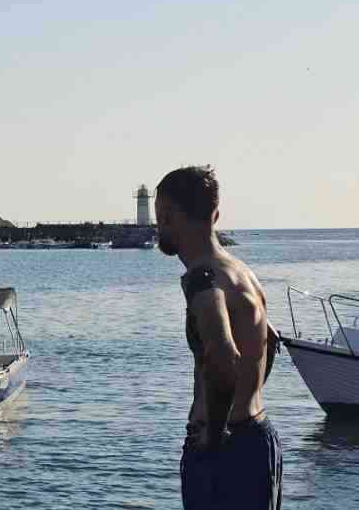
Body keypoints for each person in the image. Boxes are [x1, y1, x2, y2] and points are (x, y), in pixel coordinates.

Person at [154, 166, 282, 509]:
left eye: (159, 216)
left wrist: (212, 435)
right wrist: (243, 402)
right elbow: (270, 342)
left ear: (165, 215)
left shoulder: (202, 280)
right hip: (258, 437)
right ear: (216, 215)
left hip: (225, 453)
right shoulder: (242, 273)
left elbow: (224, 358)